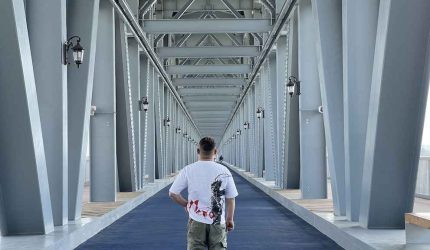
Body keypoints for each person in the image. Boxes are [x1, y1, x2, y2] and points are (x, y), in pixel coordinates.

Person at [169, 137, 238, 250]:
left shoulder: (188, 169)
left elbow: (173, 193)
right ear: (215, 152)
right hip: (217, 221)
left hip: (196, 220)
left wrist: (187, 204)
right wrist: (229, 219)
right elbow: (231, 199)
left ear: (198, 151)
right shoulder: (224, 171)